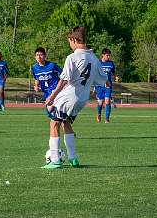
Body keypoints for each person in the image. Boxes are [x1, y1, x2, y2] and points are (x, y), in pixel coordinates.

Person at [43, 26, 109, 169]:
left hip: (69, 97)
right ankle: (73, 159)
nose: (70, 45)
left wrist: (52, 96)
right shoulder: (94, 58)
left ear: (74, 39)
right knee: (66, 123)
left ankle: (54, 159)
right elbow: (104, 79)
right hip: (82, 99)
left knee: (54, 123)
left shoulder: (72, 57)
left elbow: (64, 79)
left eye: (69, 41)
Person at [94, 48, 116, 123]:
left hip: (108, 85)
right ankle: (99, 113)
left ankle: (107, 118)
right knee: (100, 102)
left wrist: (116, 77)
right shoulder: (98, 63)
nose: (108, 57)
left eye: (109, 55)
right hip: (99, 85)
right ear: (102, 55)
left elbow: (113, 73)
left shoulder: (111, 63)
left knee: (107, 101)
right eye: (107, 55)